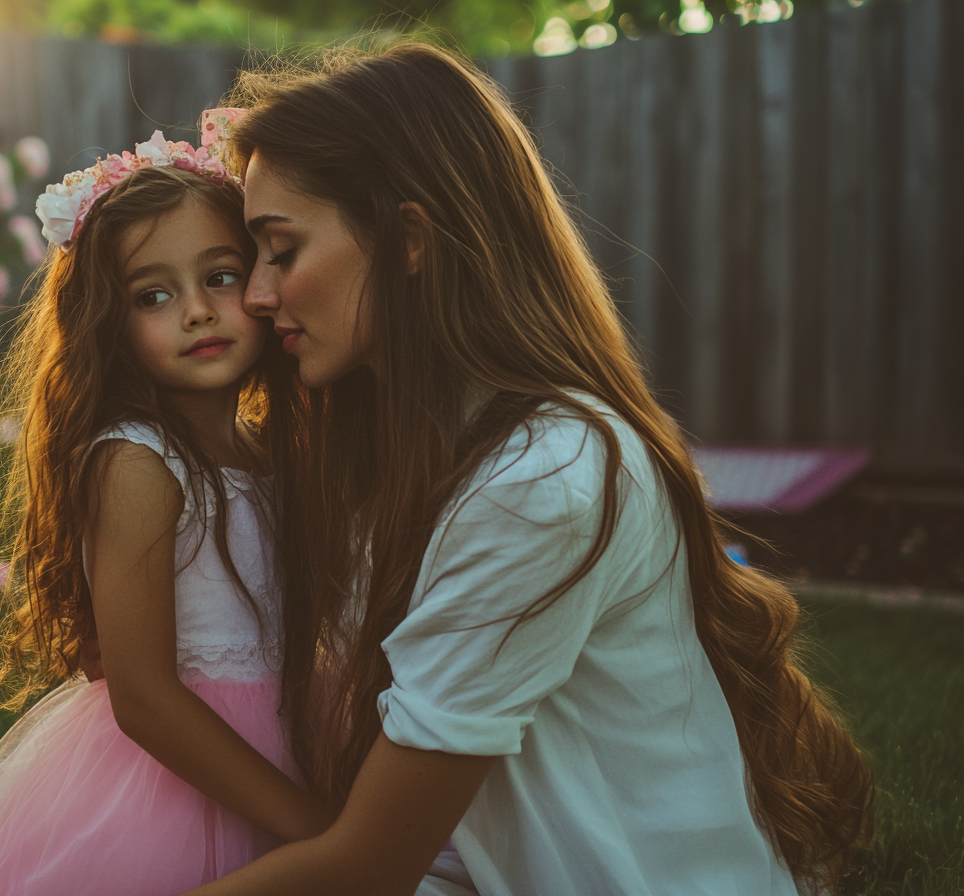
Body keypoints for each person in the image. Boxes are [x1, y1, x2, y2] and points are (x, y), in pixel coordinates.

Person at [184, 43, 876, 896]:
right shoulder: (408, 448)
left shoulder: (539, 481)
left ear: (408, 239)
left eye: (281, 251)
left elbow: (365, 866)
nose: (254, 295)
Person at [0, 131, 331, 896]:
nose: (196, 312)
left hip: (298, 736)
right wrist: (314, 828)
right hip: (176, 779)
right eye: (153, 295)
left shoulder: (274, 449)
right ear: (109, 323)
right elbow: (143, 696)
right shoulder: (138, 463)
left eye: (220, 276)